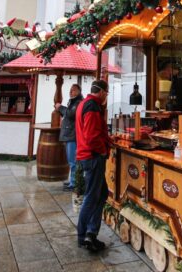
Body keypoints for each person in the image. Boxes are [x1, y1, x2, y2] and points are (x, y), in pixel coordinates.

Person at [75, 79, 110, 252]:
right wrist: (103, 150)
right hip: (93, 157)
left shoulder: (84, 104)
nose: (106, 97)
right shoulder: (93, 107)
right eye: (106, 94)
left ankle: (91, 233)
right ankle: (83, 235)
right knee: (91, 196)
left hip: (86, 155)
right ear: (102, 92)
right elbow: (92, 136)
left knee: (102, 193)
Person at [56, 84, 83, 191]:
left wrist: (60, 107)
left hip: (73, 135)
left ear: (79, 91)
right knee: (71, 161)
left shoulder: (78, 102)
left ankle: (74, 184)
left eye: (73, 90)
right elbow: (68, 114)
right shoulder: (73, 102)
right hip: (70, 134)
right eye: (70, 90)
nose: (70, 92)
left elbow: (71, 114)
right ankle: (72, 181)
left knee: (73, 162)